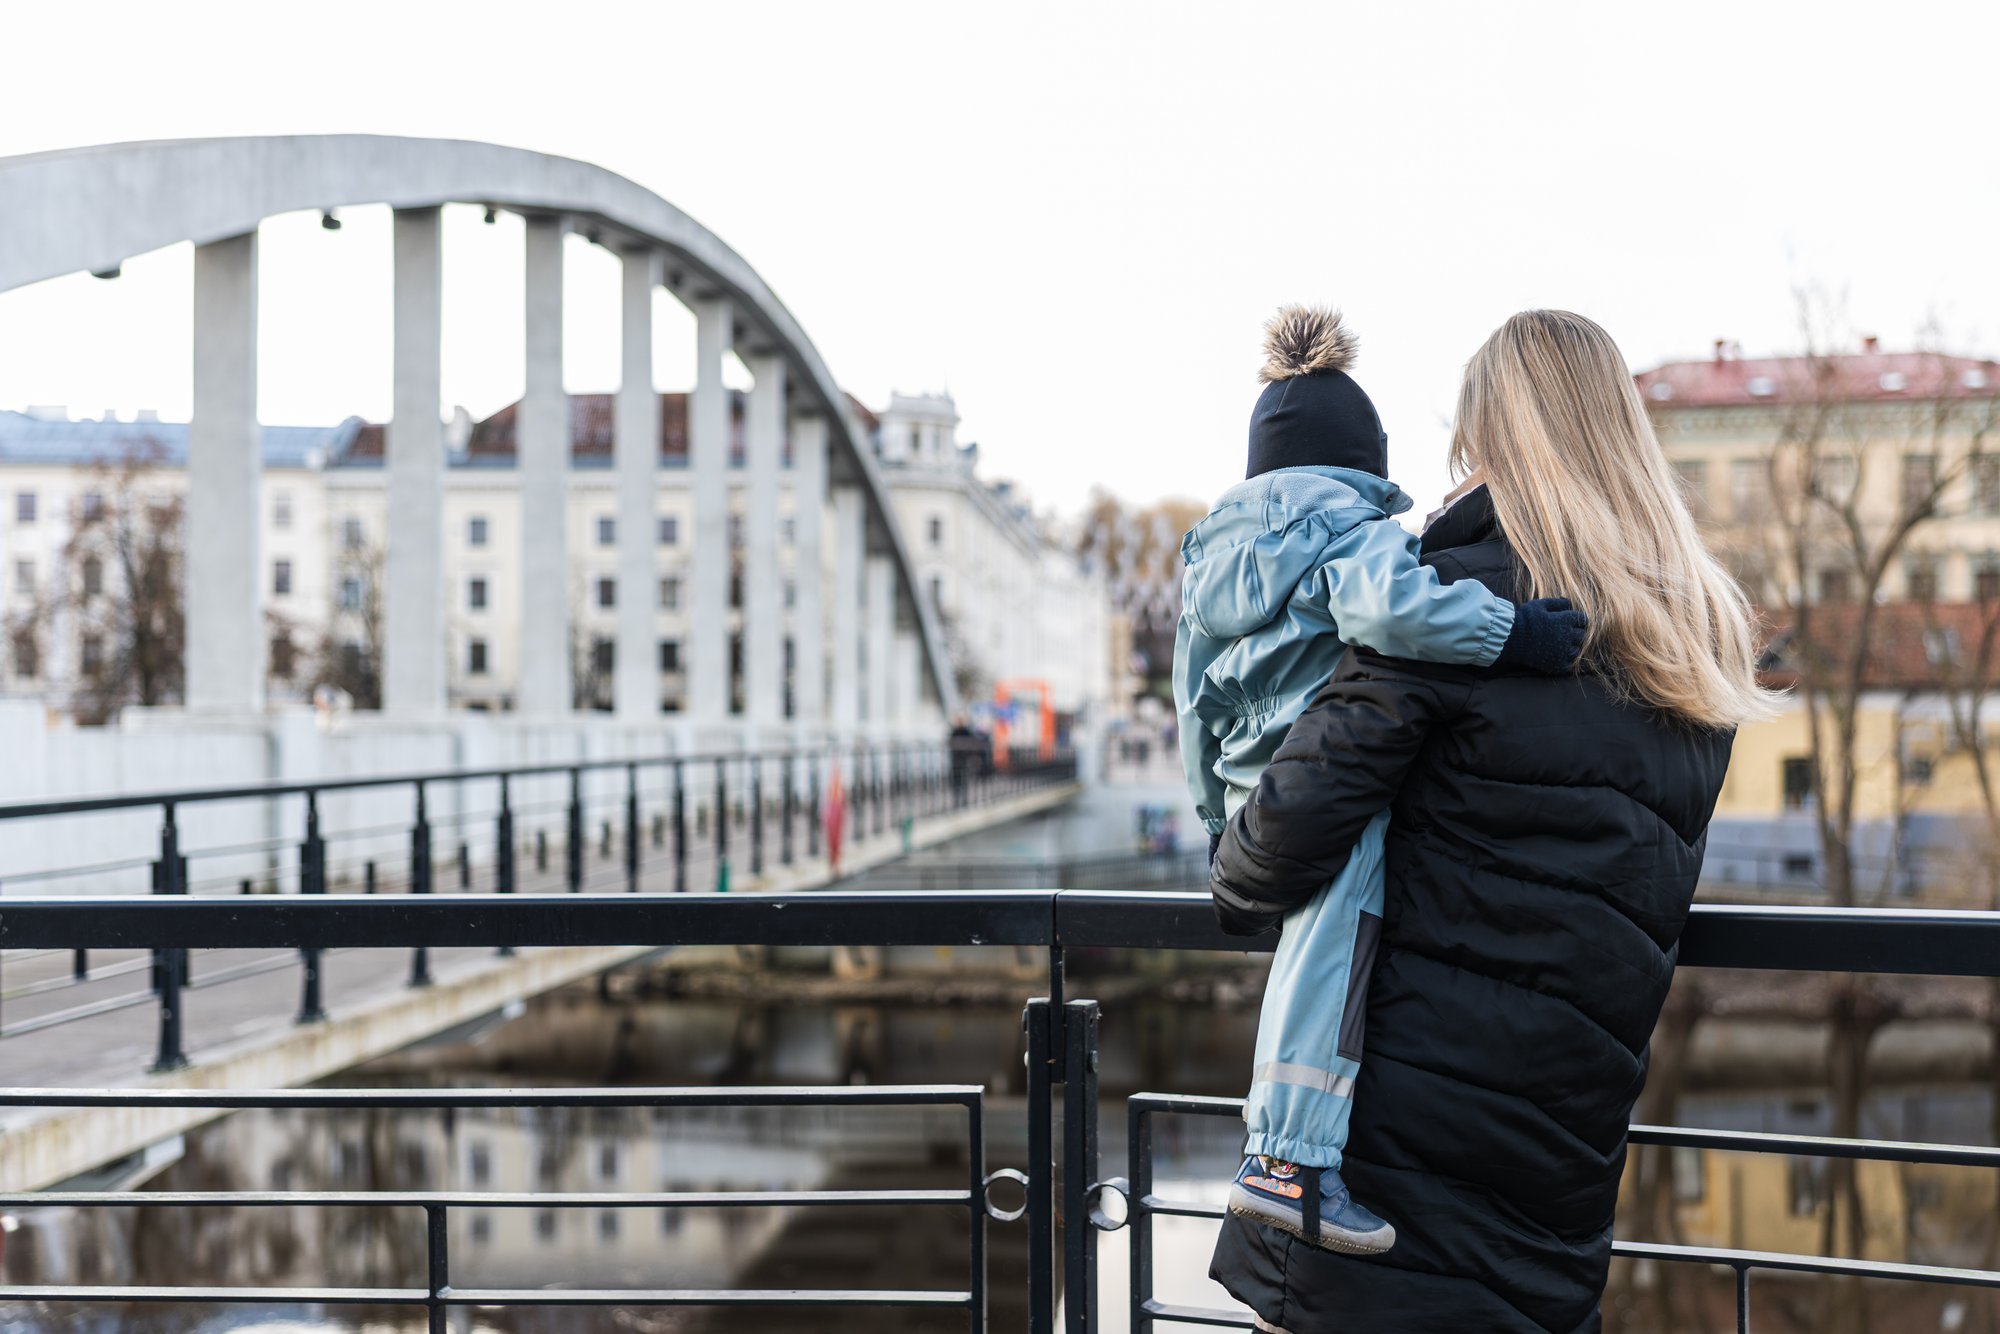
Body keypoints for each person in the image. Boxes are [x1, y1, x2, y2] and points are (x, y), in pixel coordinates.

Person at [1207, 309, 1773, 1333]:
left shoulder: (1446, 608)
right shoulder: (1687, 654)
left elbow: (1259, 863)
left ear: (1484, 444)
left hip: (1375, 1187)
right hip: (1556, 1179)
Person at [1173, 305, 1588, 1254]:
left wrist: (1215, 817)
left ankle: (1283, 1155)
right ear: (1364, 461)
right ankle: (1288, 1161)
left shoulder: (1208, 560)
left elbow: (1191, 703)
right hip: (1332, 776)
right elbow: (1396, 614)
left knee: (1301, 950)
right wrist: (1513, 634)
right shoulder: (1353, 533)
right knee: (1335, 948)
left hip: (1251, 789)